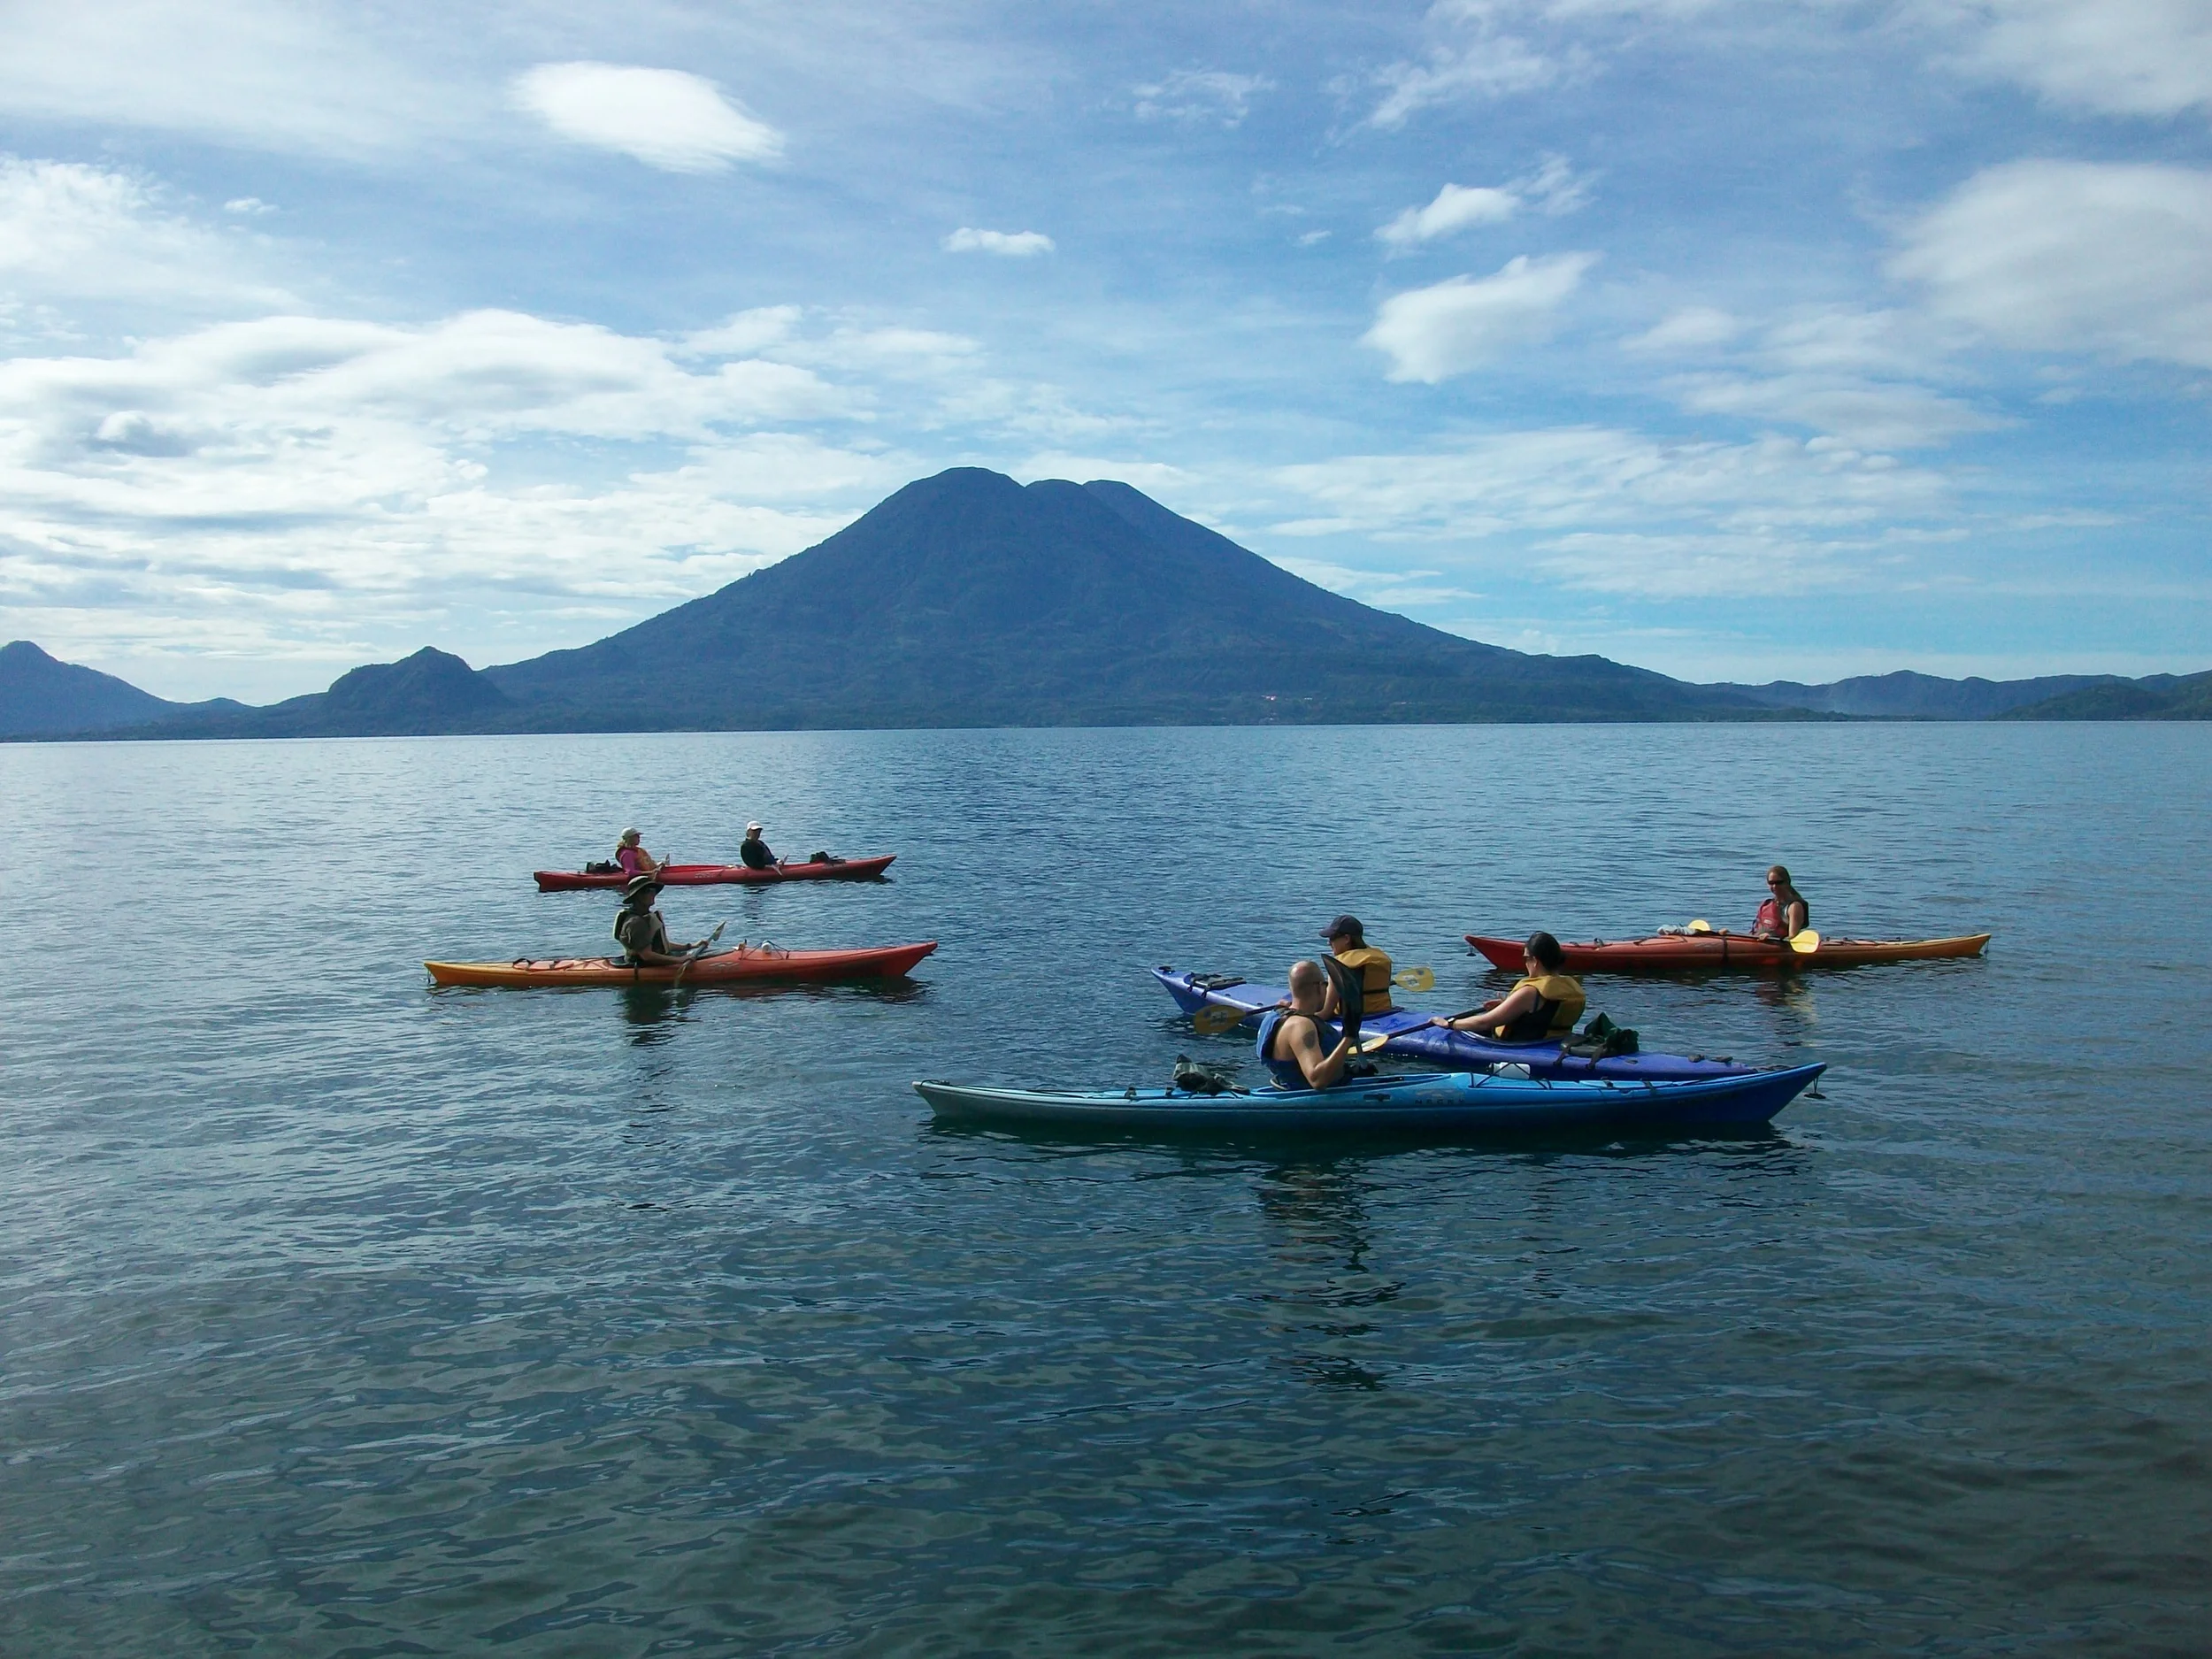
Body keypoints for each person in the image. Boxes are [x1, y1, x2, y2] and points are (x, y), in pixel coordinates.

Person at [1445, 931, 1586, 1043]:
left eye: (1526, 958)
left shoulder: (1530, 992)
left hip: (1522, 1046)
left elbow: (1484, 1023)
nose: (1525, 963)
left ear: (1535, 961)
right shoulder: (1572, 986)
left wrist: (1450, 1024)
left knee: (1460, 1030)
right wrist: (1508, 1006)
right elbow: (1545, 1013)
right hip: (1554, 1042)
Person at [1255, 960, 1358, 1089]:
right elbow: (1317, 1080)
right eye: (1326, 985)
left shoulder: (1275, 1015)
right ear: (1319, 987)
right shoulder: (1301, 1026)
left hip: (1286, 1086)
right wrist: (1349, 1037)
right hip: (1313, 1098)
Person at [612, 873, 701, 967]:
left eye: (654, 890)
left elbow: (663, 945)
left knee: (707, 952)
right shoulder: (636, 922)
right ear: (637, 896)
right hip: (644, 965)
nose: (653, 894)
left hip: (658, 959)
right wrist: (679, 960)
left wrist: (689, 946)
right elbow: (647, 955)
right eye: (648, 891)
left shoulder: (646, 916)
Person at [1317, 914, 1394, 1019]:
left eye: (1332, 938)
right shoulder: (1379, 958)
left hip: (1355, 1020)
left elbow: (1326, 1014)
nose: (1329, 943)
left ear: (1346, 939)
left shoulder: (1340, 965)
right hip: (1382, 1012)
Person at [1754, 864, 1810, 941]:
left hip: (1779, 946)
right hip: (1759, 943)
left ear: (1787, 882)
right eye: (1771, 883)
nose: (1774, 886)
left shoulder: (1794, 907)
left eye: (1778, 883)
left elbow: (1792, 937)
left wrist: (1770, 936)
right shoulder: (1765, 904)